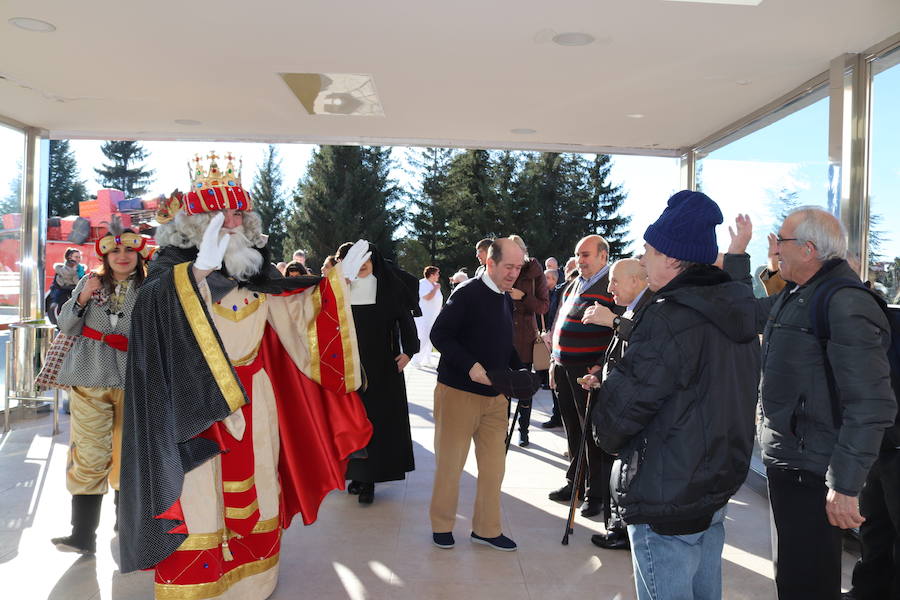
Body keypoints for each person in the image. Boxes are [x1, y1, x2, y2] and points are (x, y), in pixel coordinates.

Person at [118, 154, 374, 600]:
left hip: (257, 398)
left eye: (239, 212)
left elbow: (296, 312)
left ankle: (254, 577)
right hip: (196, 404)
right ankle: (200, 582)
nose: (233, 222)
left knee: (258, 482)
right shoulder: (167, 271)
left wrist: (336, 283)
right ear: (196, 220)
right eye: (222, 213)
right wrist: (197, 273)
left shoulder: (259, 271)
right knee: (201, 492)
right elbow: (152, 320)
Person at [590, 191, 761, 600]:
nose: (643, 258)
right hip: (712, 484)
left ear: (671, 256)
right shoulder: (735, 307)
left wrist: (604, 427)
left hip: (668, 490)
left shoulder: (670, 316)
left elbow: (623, 411)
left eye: (648, 250)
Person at [726, 208, 896, 600]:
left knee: (809, 581)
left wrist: (846, 484)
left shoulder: (843, 302)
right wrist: (738, 254)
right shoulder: (797, 293)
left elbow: (871, 402)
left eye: (781, 241)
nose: (776, 249)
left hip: (815, 469)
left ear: (808, 249)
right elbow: (741, 317)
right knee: (795, 575)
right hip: (792, 462)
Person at [51, 219, 152, 554]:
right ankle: (82, 534)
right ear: (104, 256)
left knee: (128, 454)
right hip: (88, 376)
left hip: (133, 379)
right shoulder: (89, 282)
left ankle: (125, 526)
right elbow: (66, 324)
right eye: (115, 250)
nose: (122, 256)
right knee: (89, 453)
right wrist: (81, 297)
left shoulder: (152, 287)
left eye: (129, 250)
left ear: (139, 253)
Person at [429, 237, 526, 552]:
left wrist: (520, 369)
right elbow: (439, 334)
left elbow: (502, 342)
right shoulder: (467, 292)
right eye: (508, 266)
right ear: (490, 263)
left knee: (494, 467)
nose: (514, 273)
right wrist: (470, 365)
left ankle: (486, 529)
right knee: (451, 465)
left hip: (496, 397)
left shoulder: (505, 298)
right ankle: (442, 525)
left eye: (518, 267)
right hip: (458, 393)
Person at [339, 241, 420, 504]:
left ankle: (370, 480)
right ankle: (357, 475)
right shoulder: (341, 291)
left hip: (382, 369)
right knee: (352, 421)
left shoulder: (388, 288)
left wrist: (408, 352)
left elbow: (406, 323)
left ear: (375, 262)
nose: (362, 266)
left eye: (367, 261)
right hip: (349, 368)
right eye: (357, 261)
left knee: (377, 422)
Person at [581, 257, 652, 551]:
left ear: (636, 281)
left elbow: (647, 344)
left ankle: (622, 530)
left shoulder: (652, 306)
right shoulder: (632, 307)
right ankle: (616, 527)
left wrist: (611, 319)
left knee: (626, 470)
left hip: (635, 407)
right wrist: (600, 375)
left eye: (614, 281)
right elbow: (618, 351)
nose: (609, 288)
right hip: (618, 397)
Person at [548, 235, 621, 518]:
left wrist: (601, 365)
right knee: (573, 428)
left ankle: (596, 493)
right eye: (578, 254)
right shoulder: (576, 282)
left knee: (591, 431)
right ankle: (575, 483)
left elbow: (620, 329)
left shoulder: (611, 285)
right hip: (565, 365)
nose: (580, 260)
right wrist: (555, 359)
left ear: (603, 256)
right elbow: (560, 322)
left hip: (588, 371)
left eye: (586, 254)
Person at [508, 235, 549, 447]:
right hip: (502, 336)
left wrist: (522, 296)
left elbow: (543, 307)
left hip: (525, 337)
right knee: (501, 389)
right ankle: (500, 430)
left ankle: (523, 431)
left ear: (524, 252)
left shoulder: (535, 273)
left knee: (524, 388)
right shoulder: (502, 269)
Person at [411, 266, 443, 368]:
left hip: (433, 316)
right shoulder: (423, 283)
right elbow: (428, 297)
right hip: (423, 316)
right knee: (423, 337)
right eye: (437, 274)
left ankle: (426, 359)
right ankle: (415, 360)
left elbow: (437, 300)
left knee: (430, 338)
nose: (438, 276)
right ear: (432, 274)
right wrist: (435, 289)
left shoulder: (434, 285)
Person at [46, 248, 85, 323]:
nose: (78, 259)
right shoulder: (62, 269)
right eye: (76, 257)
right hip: (63, 292)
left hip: (75, 291)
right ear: (69, 257)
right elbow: (75, 280)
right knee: (56, 305)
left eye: (79, 257)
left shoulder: (81, 269)